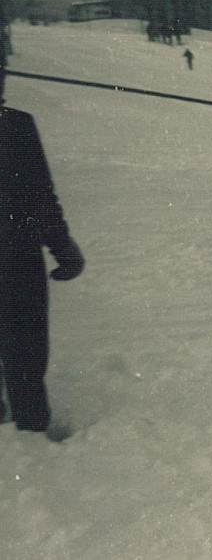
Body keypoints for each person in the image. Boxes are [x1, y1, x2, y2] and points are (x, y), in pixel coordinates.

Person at [0, 105, 85, 434]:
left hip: (17, 252)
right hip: (16, 255)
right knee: (25, 346)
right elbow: (40, 194)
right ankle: (31, 429)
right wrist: (63, 248)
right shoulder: (16, 125)